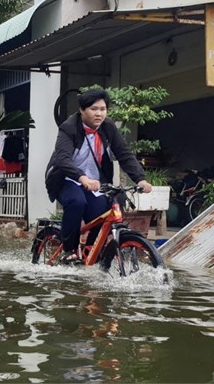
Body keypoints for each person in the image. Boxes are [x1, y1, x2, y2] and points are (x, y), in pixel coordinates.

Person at [45, 88, 153, 263]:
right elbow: (62, 159)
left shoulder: (108, 127)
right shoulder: (69, 127)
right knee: (76, 201)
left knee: (103, 211)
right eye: (93, 109)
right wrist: (82, 178)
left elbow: (124, 154)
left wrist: (140, 178)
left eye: (102, 109)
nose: (99, 114)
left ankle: (90, 252)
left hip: (95, 182)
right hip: (66, 177)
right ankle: (69, 250)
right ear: (82, 110)